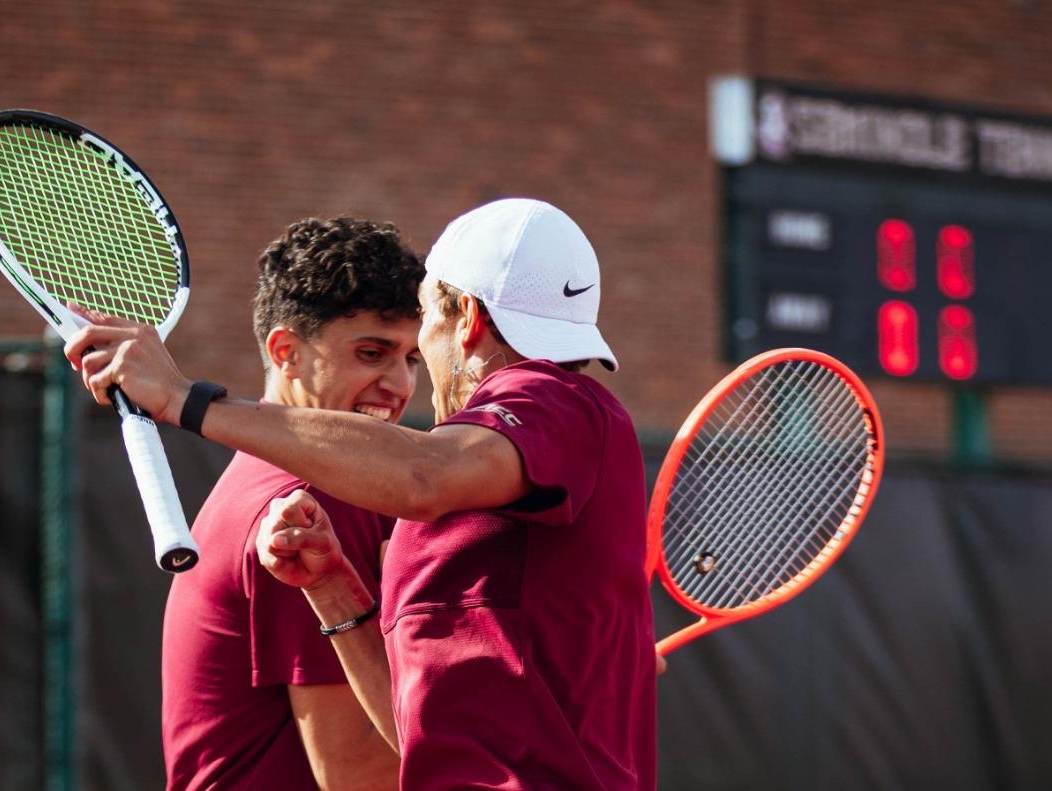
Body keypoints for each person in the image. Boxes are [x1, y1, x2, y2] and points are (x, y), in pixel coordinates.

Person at [66, 198, 657, 789]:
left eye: (415, 340)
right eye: (372, 353)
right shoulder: (339, 489)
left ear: (468, 319)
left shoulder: (547, 399)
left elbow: (423, 474)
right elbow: (415, 735)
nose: (403, 382)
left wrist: (182, 400)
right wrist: (334, 591)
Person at [153, 216, 423, 790]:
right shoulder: (315, 498)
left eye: (412, 358)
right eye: (373, 353)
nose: (399, 384)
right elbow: (358, 778)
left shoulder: (321, 480)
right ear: (287, 353)